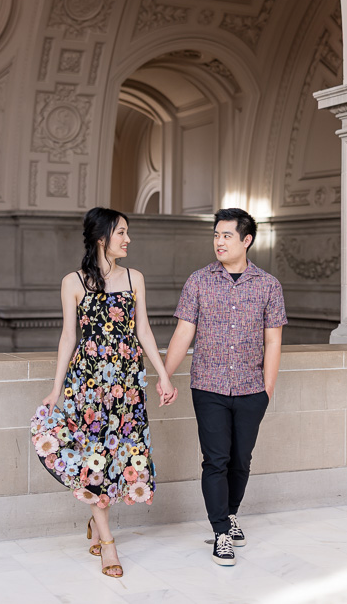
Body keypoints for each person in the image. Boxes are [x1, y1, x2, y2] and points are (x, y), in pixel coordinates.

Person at [34, 207, 177, 578]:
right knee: (95, 455)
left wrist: (163, 375)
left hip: (128, 386)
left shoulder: (134, 278)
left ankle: (97, 525)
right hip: (89, 384)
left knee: (120, 455)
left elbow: (143, 331)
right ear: (102, 238)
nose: (128, 239)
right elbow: (69, 337)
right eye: (121, 233)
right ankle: (108, 544)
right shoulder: (73, 282)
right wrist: (56, 388)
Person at [163, 208, 286, 567]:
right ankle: (220, 533)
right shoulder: (198, 281)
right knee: (215, 460)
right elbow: (183, 333)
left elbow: (274, 341)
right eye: (216, 235)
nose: (219, 241)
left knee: (240, 462)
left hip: (251, 388)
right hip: (208, 386)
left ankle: (231, 514)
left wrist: (268, 389)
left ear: (246, 240)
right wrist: (166, 376)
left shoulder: (268, 285)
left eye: (227, 236)